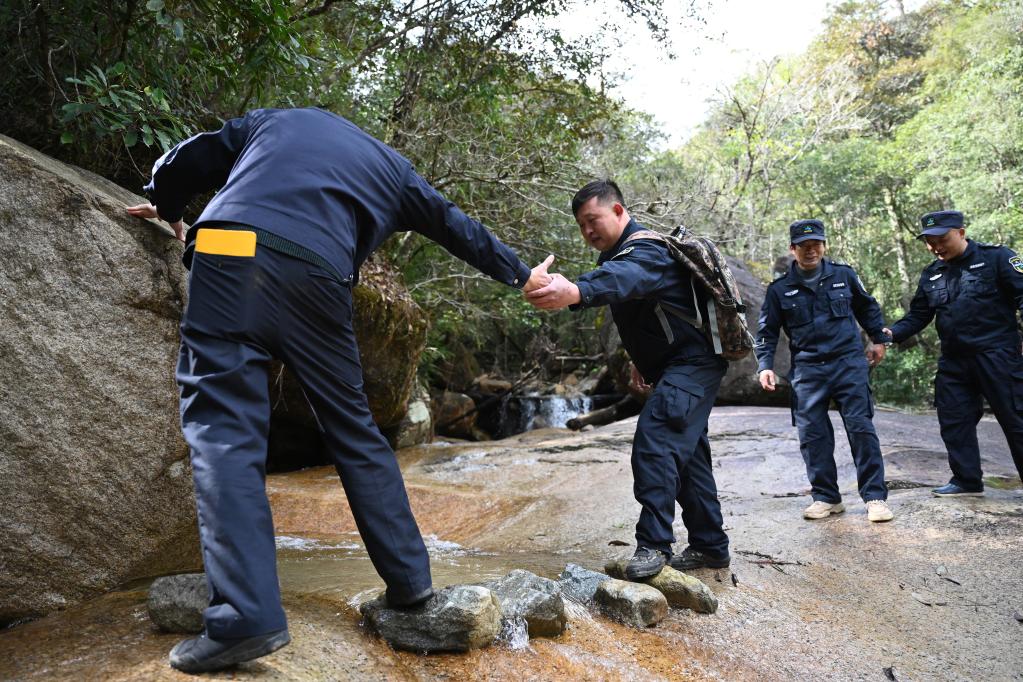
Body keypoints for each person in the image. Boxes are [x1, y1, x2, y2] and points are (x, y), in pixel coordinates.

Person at [127, 107, 552, 674]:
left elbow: (191, 155)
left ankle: (245, 616)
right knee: (354, 430)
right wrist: (522, 274)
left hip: (232, 251)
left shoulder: (279, 121)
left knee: (224, 432)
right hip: (320, 277)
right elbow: (458, 226)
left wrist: (166, 205)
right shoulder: (396, 171)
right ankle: (411, 584)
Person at [525, 179, 731, 579]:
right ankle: (710, 545)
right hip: (676, 365)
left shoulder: (646, 250)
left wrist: (577, 290)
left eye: (593, 219)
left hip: (694, 364)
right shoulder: (618, 256)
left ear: (618, 211)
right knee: (688, 457)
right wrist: (641, 361)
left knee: (656, 442)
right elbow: (645, 312)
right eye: (581, 225)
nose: (588, 231)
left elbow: (626, 278)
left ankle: (654, 544)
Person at [754, 219, 894, 523]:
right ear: (792, 249)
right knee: (812, 435)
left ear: (824, 246)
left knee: (861, 429)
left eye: (816, 244)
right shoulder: (779, 290)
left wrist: (878, 339)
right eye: (803, 246)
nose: (811, 250)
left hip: (848, 364)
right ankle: (827, 497)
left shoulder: (844, 275)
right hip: (808, 370)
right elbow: (767, 332)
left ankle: (875, 498)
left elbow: (867, 308)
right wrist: (765, 365)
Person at [884, 210, 1023, 497]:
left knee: (1016, 419)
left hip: (997, 355)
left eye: (942, 239)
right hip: (954, 360)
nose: (936, 247)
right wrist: (890, 334)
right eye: (930, 242)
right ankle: (966, 480)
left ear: (961, 232)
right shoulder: (932, 273)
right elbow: (919, 315)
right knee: (953, 419)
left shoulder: (997, 258)